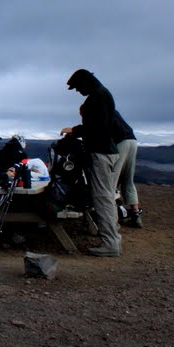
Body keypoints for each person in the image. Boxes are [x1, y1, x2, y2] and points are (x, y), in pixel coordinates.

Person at [60, 69, 123, 257]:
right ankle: (113, 239)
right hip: (106, 151)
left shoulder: (98, 97)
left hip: (101, 153)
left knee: (102, 197)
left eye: (78, 87)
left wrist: (75, 130)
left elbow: (96, 127)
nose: (78, 91)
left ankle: (110, 243)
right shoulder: (102, 95)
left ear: (85, 83)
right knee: (106, 196)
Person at [113, 111, 143, 228]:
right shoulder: (113, 111)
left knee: (112, 181)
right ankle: (135, 214)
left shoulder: (99, 110)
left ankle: (112, 220)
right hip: (132, 140)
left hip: (120, 142)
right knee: (127, 179)